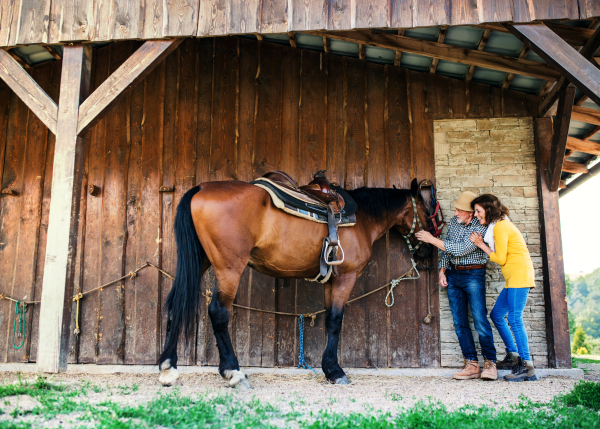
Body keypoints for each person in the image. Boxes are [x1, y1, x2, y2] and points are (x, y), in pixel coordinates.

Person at [416, 191, 497, 380]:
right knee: (460, 322)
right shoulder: (454, 223)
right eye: (456, 209)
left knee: (479, 320)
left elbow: (460, 250)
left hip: (474, 274)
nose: (456, 213)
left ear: (470, 212)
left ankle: (490, 363)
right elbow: (448, 248)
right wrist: (442, 269)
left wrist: (431, 239)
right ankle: (471, 364)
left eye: (460, 210)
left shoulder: (481, 226)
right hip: (454, 275)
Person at [469, 194, 537, 382]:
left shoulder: (500, 226)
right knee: (497, 315)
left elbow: (501, 258)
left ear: (488, 210)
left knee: (515, 318)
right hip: (514, 277)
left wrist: (480, 244)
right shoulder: (499, 225)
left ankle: (527, 366)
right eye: (474, 211)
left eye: (478, 211)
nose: (476, 215)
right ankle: (513, 356)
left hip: (519, 275)